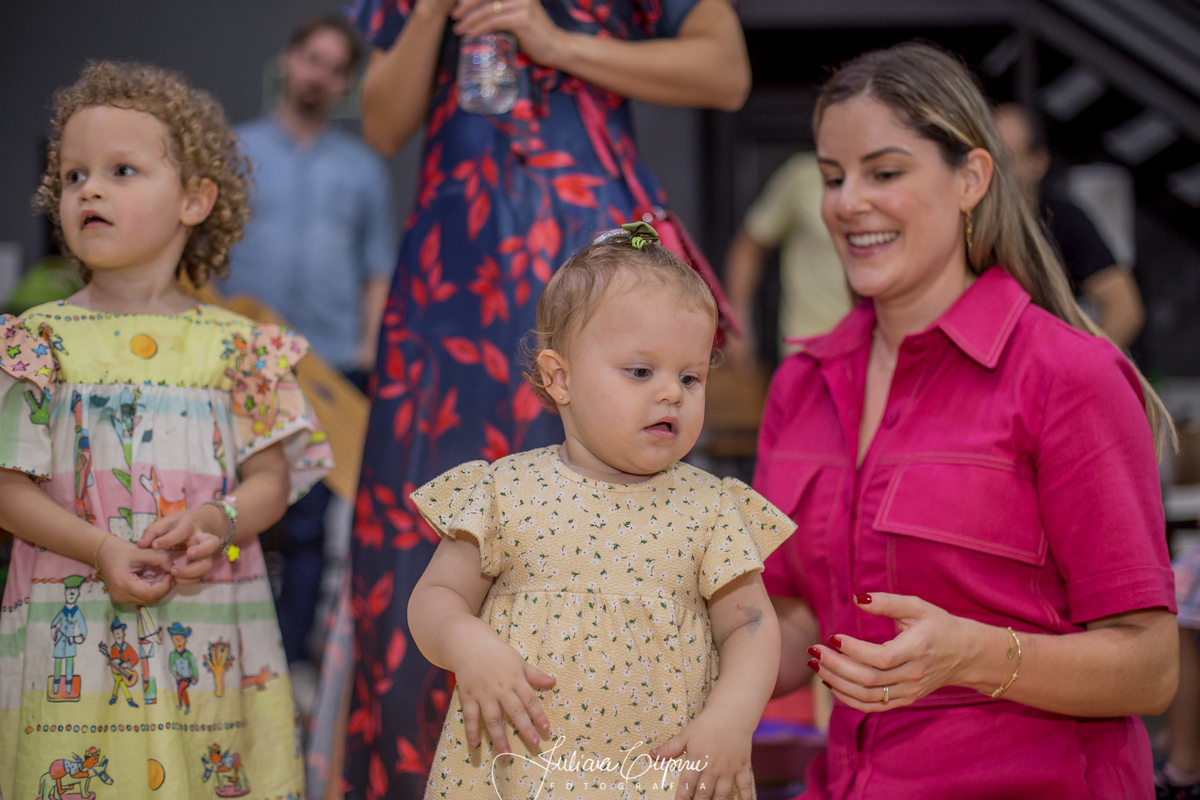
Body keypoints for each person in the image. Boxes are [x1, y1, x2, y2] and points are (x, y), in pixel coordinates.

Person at [333, 0, 751, 795]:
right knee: (431, 529)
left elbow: (725, 72)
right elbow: (382, 125)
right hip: (454, 271)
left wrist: (554, 41)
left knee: (616, 483)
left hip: (586, 245)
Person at [756, 44, 1177, 799]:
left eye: (885, 173)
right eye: (833, 176)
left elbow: (1149, 667)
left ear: (971, 180)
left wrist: (974, 654)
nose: (848, 203)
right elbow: (795, 621)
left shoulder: (1069, 376)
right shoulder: (801, 381)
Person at [0, 61, 333, 798]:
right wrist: (101, 548)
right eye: (73, 175)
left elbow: (272, 479)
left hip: (210, 636)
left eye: (121, 170)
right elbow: (6, 489)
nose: (89, 190)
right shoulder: (37, 342)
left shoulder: (241, 348)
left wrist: (219, 519)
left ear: (194, 200)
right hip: (76, 637)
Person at [407, 223, 794, 800]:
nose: (672, 393)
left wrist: (730, 721)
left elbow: (751, 626)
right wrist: (469, 645)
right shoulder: (504, 492)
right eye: (641, 372)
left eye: (690, 377)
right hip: (521, 771)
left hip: (664, 775)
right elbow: (435, 598)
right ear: (559, 378)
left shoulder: (711, 508)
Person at [221, 13, 396, 667]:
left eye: (334, 68)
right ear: (288, 61)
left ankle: (287, 664)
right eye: (311, 59)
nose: (319, 75)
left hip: (329, 363)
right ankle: (223, 655)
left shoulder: (363, 169)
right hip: (239, 358)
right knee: (228, 507)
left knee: (307, 523)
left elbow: (377, 268)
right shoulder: (233, 151)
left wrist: (369, 350)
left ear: (345, 83)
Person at [994, 103, 1145, 348]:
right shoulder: (963, 218)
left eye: (1007, 158)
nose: (993, 169)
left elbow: (1126, 310)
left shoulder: (1062, 220)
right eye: (985, 155)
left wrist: (1077, 361)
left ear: (1038, 162)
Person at [723, 152, 852, 371]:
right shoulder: (802, 176)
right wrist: (738, 324)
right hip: (809, 352)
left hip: (877, 352)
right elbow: (749, 245)